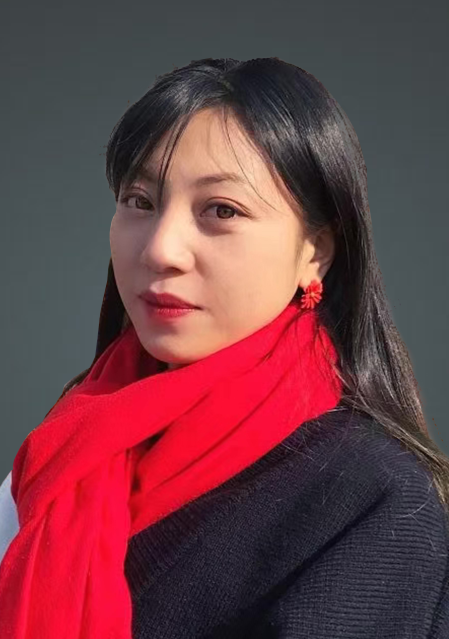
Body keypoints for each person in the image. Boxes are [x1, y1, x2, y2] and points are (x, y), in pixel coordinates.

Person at [0, 56, 448, 638]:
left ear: (315, 251)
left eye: (221, 210)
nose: (160, 250)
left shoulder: (373, 499)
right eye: (140, 201)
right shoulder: (67, 445)